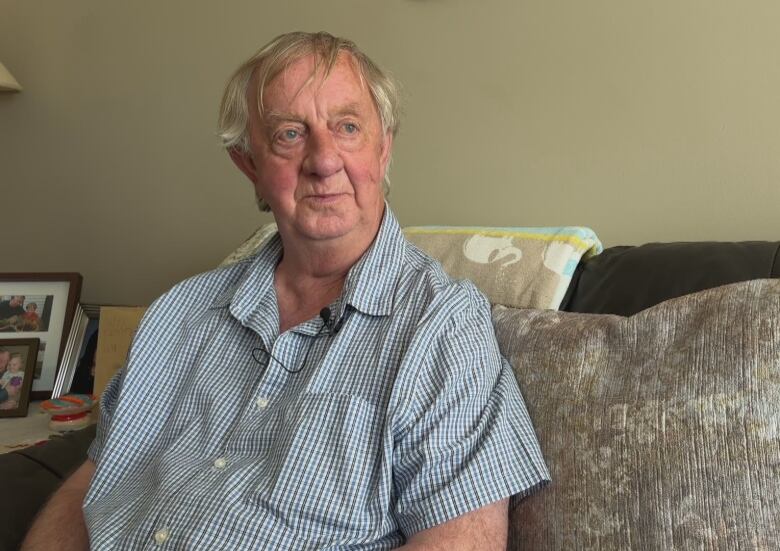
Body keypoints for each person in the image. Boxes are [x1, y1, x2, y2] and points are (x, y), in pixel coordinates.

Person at [22, 32, 549, 550]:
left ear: (383, 149)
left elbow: (459, 542)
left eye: (347, 127)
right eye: (290, 134)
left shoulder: (443, 327)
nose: (323, 160)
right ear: (248, 163)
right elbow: (96, 479)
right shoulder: (177, 315)